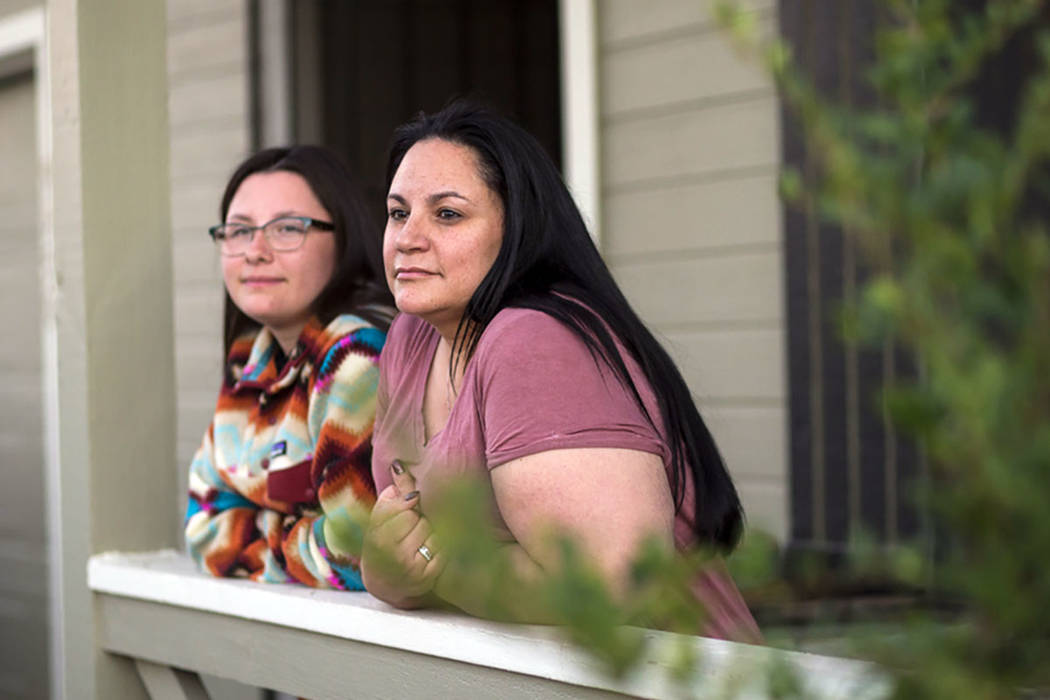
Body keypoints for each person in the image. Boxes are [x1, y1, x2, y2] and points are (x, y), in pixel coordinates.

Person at [361, 102, 760, 641]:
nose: (408, 237)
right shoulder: (412, 338)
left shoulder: (536, 340)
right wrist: (387, 571)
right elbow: (398, 545)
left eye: (448, 214)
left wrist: (438, 566)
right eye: (398, 212)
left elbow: (612, 583)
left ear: (517, 227)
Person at [185, 146, 392, 590]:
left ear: (344, 237)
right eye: (239, 231)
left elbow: (354, 551)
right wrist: (299, 529)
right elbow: (201, 521)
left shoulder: (355, 355)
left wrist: (249, 533)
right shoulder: (251, 357)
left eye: (286, 229)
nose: (255, 252)